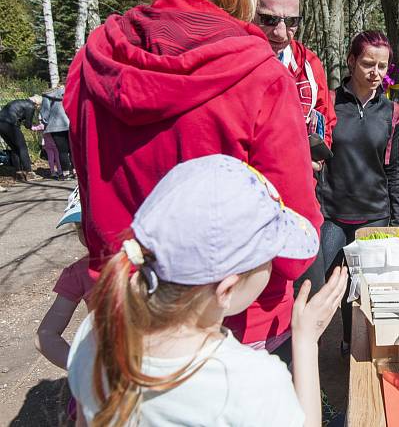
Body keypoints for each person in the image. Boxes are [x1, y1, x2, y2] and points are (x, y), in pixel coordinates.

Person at [63, 0, 320, 362]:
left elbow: (89, 202)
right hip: (231, 331)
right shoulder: (259, 75)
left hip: (126, 320)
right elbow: (294, 242)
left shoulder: (93, 59)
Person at [67, 155, 348, 427]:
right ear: (227, 289)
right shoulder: (249, 380)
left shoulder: (96, 332)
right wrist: (306, 341)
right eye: (270, 258)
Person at [315, 30, 399, 352]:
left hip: (375, 216)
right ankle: (317, 350)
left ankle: (354, 346)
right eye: (368, 63)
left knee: (367, 288)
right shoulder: (328, 104)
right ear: (351, 61)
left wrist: (398, 220)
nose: (376, 73)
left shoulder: (392, 112)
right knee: (325, 286)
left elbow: (394, 169)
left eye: (383, 66)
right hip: (331, 215)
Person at [255, 0, 336, 161]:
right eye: (269, 19)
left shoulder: (309, 63)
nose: (281, 32)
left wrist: (315, 158)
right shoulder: (230, 61)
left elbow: (325, 121)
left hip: (298, 185)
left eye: (292, 21)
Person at [35, 187, 89, 370]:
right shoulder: (78, 273)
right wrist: (83, 369)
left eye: (93, 223)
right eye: (81, 227)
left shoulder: (149, 260)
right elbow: (45, 335)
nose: (88, 235)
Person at [0, 95, 42, 181]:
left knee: (15, 148)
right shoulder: (30, 106)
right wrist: (34, 127)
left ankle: (19, 173)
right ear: (37, 103)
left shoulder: (18, 101)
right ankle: (29, 173)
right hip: (10, 125)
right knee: (23, 148)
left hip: (1, 124)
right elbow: (28, 124)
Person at [40, 86, 74, 180]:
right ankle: (75, 171)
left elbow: (45, 113)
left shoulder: (47, 96)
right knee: (72, 150)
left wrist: (44, 121)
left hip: (55, 127)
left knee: (62, 151)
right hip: (71, 124)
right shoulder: (70, 91)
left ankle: (65, 173)